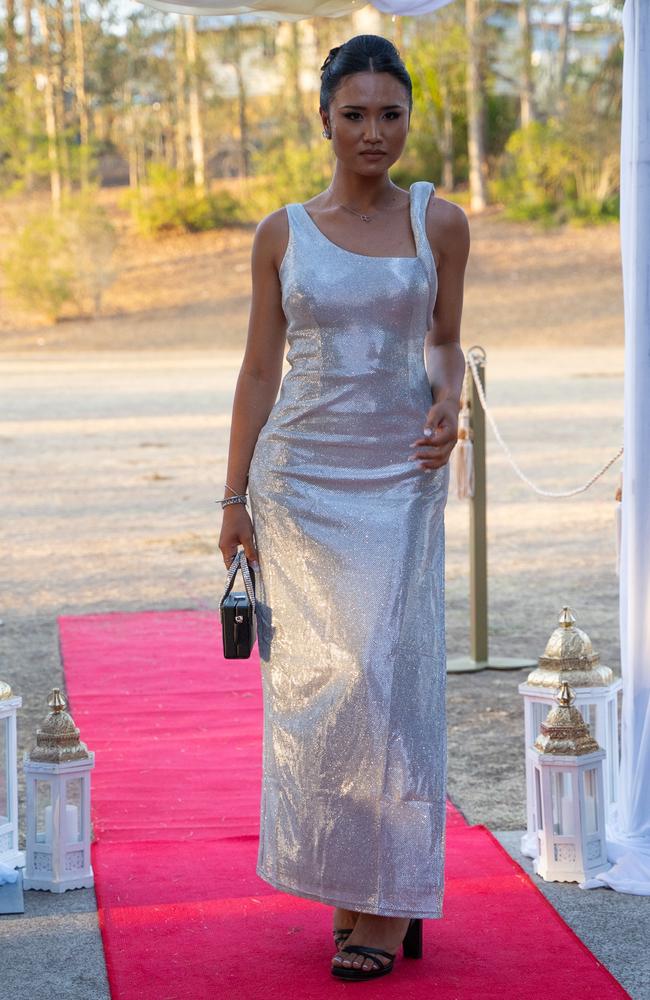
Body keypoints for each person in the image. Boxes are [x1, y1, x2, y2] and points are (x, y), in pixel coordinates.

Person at [218, 33, 469, 982]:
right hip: (300, 483)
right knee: (323, 692)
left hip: (400, 474)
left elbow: (445, 341)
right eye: (355, 113)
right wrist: (234, 494)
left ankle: (383, 898)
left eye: (391, 113)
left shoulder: (436, 222)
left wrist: (449, 402)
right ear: (323, 119)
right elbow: (256, 369)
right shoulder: (282, 233)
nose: (375, 131)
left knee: (383, 680)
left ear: (409, 119)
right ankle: (357, 891)